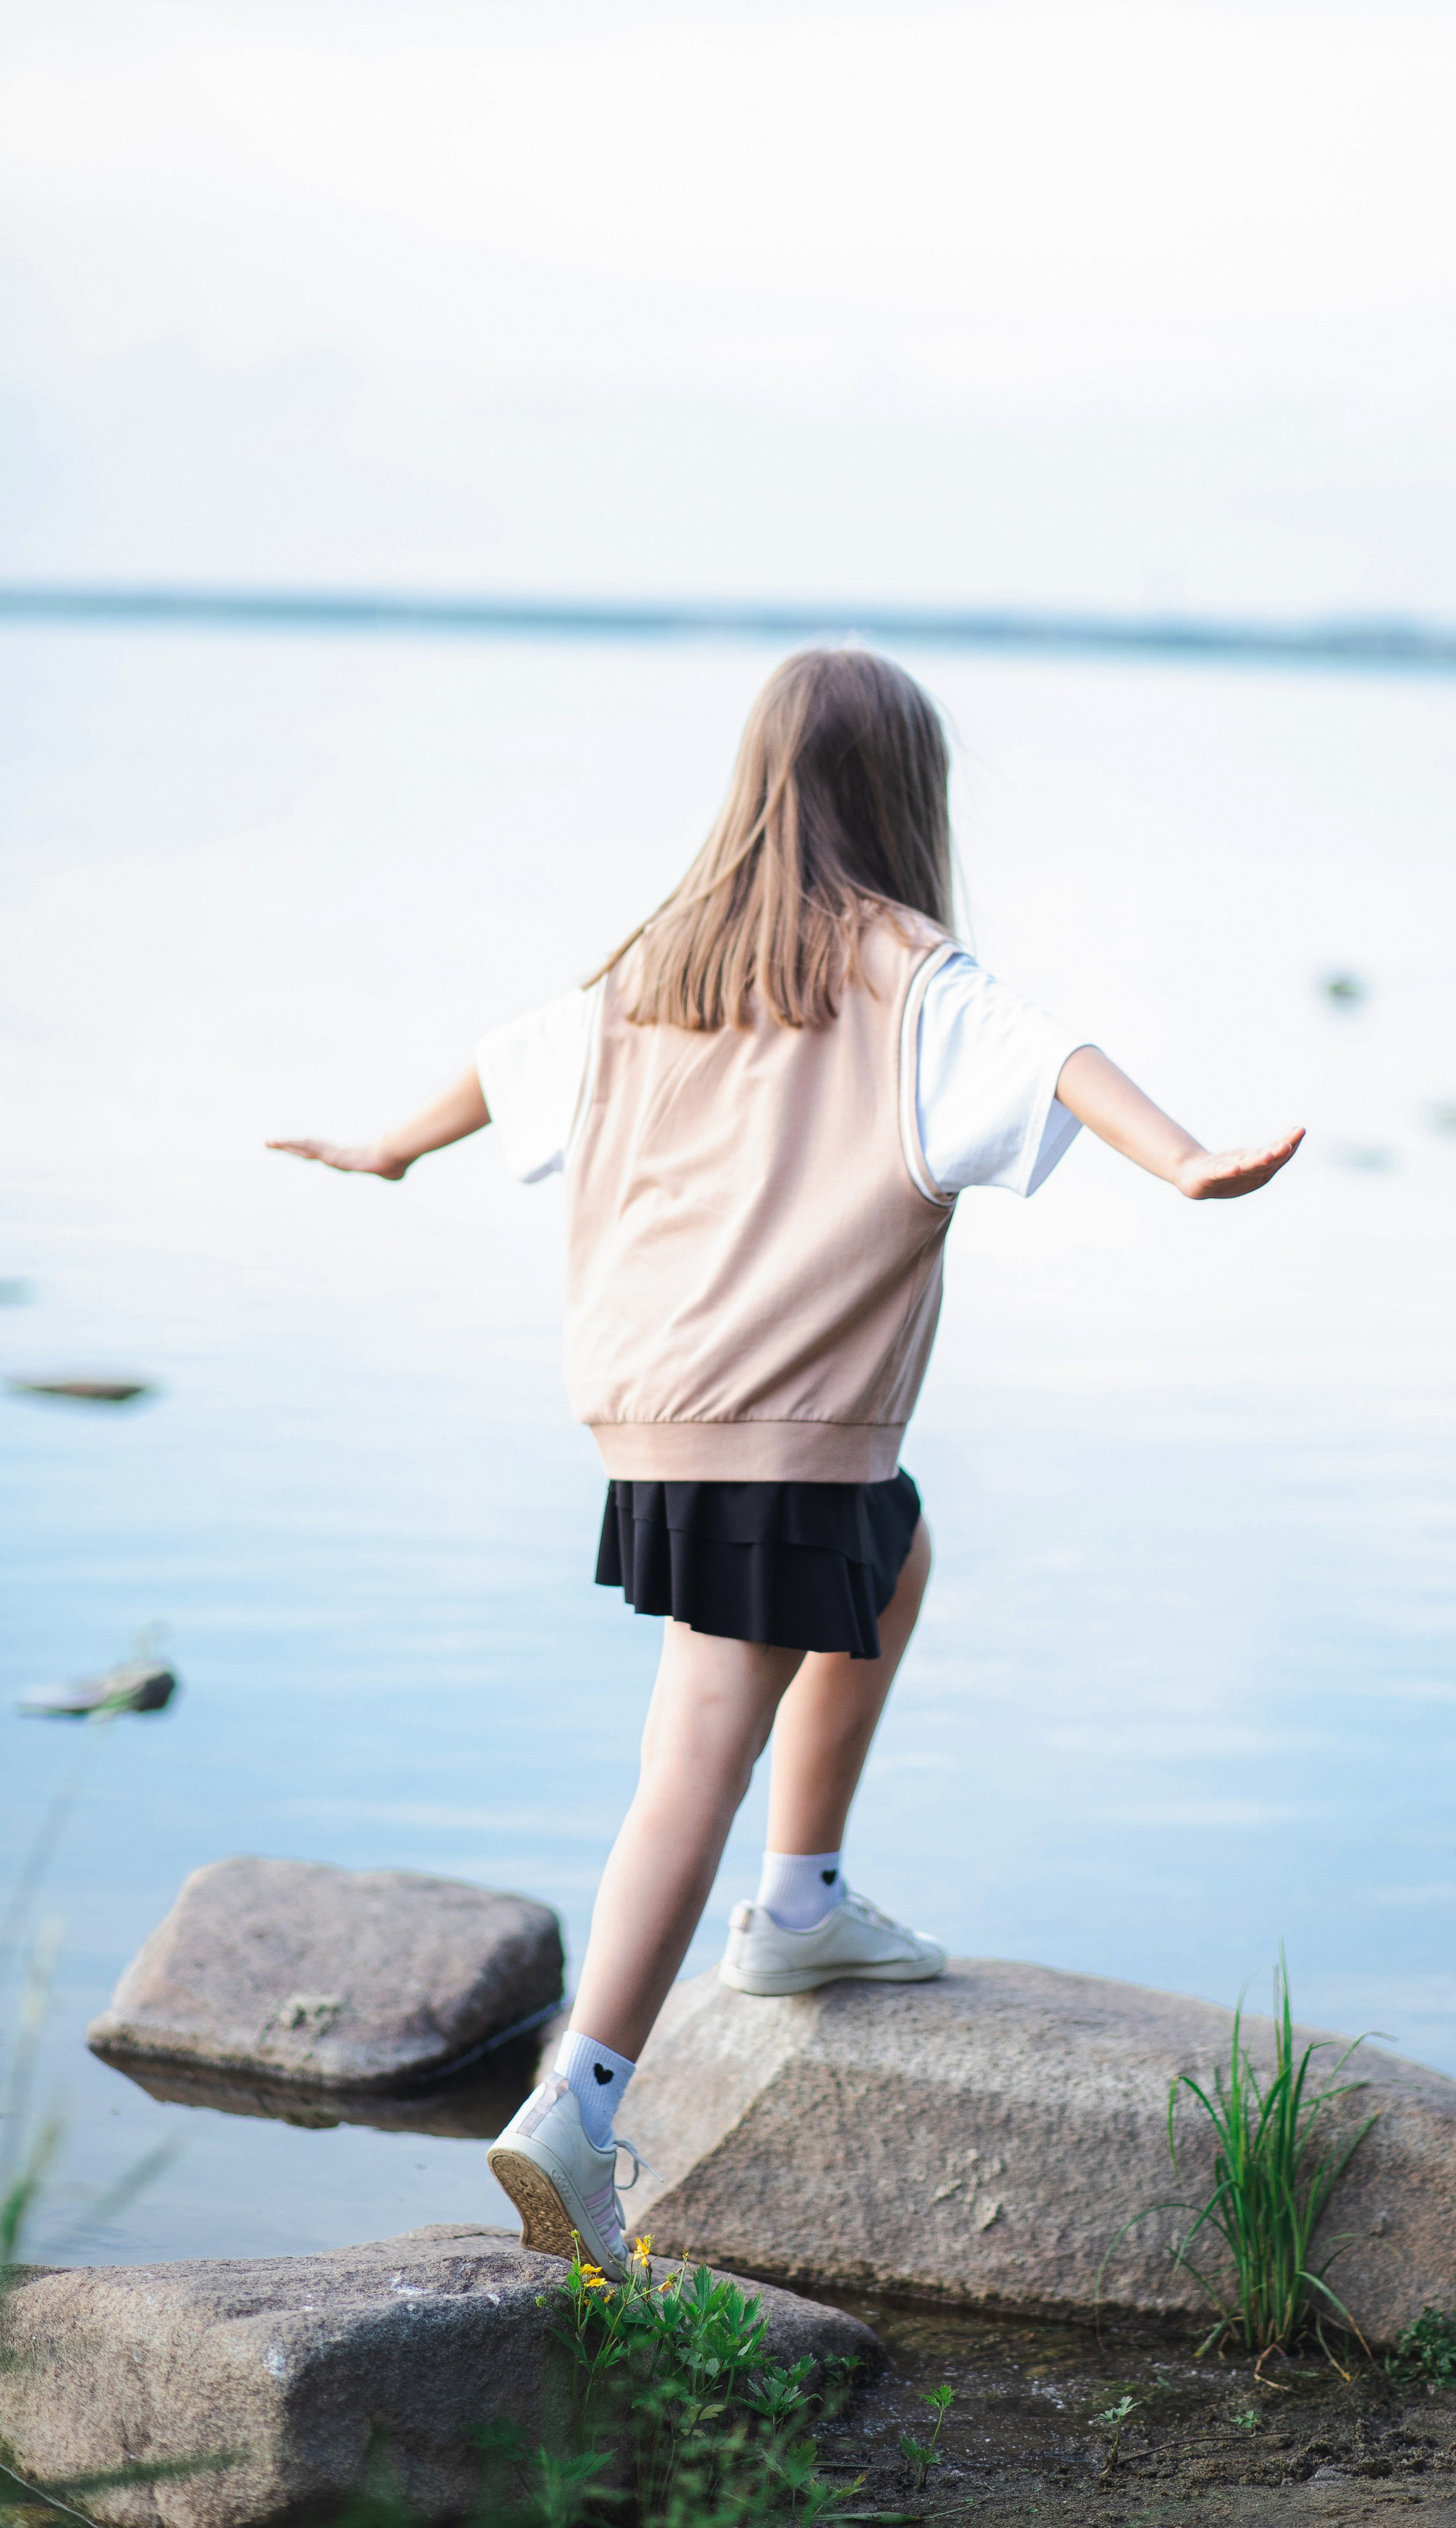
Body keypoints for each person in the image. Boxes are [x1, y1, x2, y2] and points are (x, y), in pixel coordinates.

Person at [271, 645, 1302, 2272]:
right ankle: (582, 2102)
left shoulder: (657, 964)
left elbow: (504, 1058)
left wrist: (391, 1144)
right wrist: (1183, 1164)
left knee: (896, 1555)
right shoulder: (911, 977)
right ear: (908, 796)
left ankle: (801, 1909)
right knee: (694, 1749)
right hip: (781, 1435)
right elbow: (1055, 1062)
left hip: (658, 1417)